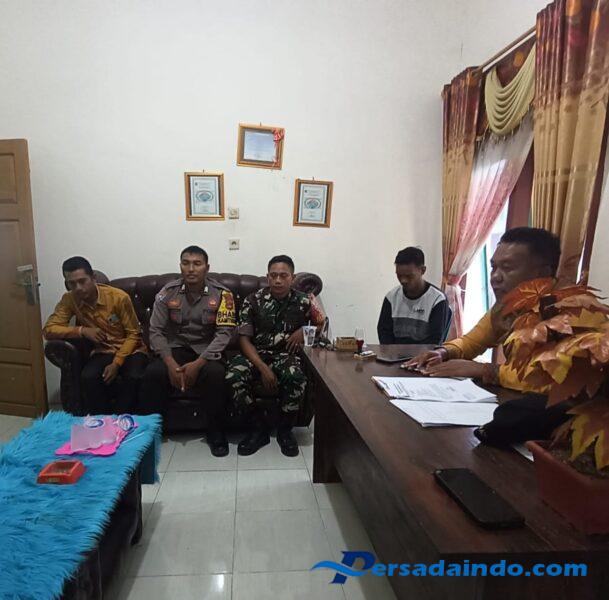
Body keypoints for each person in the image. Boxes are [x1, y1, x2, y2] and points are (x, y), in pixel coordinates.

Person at [405, 227, 562, 391]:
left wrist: (485, 370)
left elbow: (551, 379)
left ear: (543, 273)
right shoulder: (505, 308)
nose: (495, 277)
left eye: (507, 268)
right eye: (494, 267)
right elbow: (472, 341)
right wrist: (443, 352)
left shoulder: (567, 312)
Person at [138, 245, 235, 457]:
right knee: (153, 373)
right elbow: (155, 331)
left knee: (216, 374)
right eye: (186, 263)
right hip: (176, 349)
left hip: (207, 351)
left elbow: (224, 334)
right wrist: (170, 364)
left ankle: (216, 432)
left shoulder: (223, 294)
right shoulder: (167, 293)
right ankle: (150, 434)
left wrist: (198, 364)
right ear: (180, 266)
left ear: (207, 268)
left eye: (197, 264)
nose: (191, 269)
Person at [226, 255, 323, 457]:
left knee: (296, 377)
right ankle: (257, 428)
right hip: (256, 354)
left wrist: (305, 330)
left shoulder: (304, 301)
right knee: (233, 376)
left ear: (292, 278)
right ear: (267, 277)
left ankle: (285, 430)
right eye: (273, 275)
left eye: (283, 276)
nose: (278, 280)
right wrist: (263, 368)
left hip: (286, 354)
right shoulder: (253, 300)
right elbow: (244, 339)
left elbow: (321, 325)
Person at [43, 256, 148, 415]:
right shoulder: (69, 299)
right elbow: (49, 330)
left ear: (93, 278)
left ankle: (121, 421)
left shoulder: (118, 297)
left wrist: (116, 363)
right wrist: (82, 330)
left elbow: (134, 334)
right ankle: (101, 422)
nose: (78, 288)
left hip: (131, 349)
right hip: (103, 350)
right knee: (88, 377)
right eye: (72, 284)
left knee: (133, 376)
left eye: (82, 281)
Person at [377, 247, 449, 345]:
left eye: (409, 276)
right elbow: (384, 334)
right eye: (399, 275)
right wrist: (392, 352)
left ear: (422, 270)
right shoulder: (391, 297)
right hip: (393, 353)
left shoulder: (437, 300)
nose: (403, 280)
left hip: (425, 354)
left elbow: (434, 341)